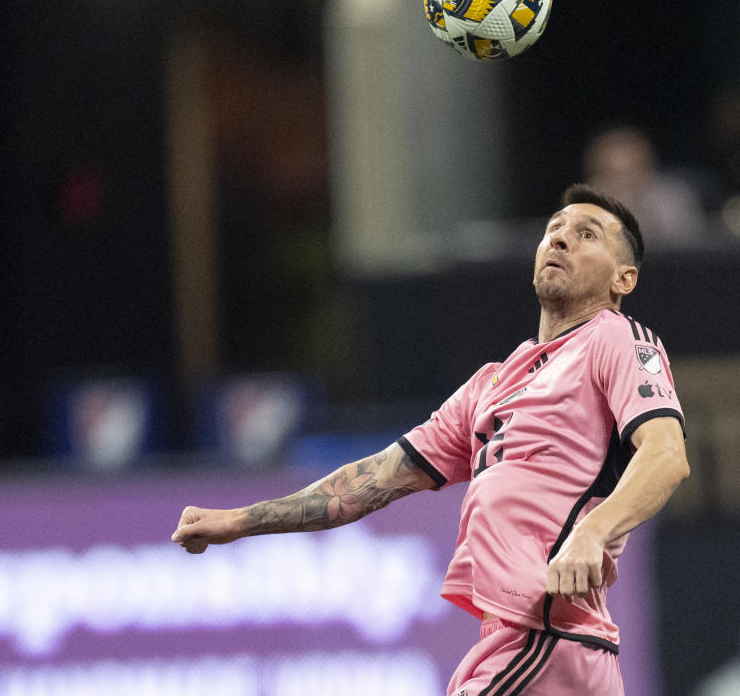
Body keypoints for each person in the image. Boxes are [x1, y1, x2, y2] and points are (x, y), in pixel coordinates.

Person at [172, 184, 690, 695]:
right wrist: (240, 521)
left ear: (625, 277)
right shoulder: (492, 382)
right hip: (528, 644)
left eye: (586, 234)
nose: (559, 240)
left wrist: (593, 531)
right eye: (553, 230)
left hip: (546, 637)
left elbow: (666, 456)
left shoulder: (614, 338)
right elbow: (373, 480)